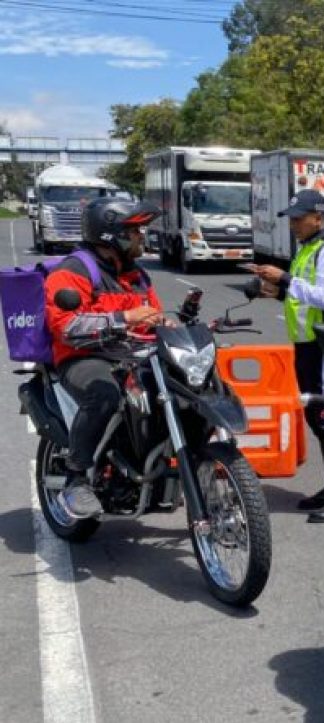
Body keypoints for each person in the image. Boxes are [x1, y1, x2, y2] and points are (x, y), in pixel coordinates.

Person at [44, 197, 165, 519]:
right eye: (135, 230)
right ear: (112, 235)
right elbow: (66, 327)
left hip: (133, 355)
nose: (142, 236)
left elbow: (152, 315)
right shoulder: (72, 271)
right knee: (104, 396)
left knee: (185, 388)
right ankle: (76, 478)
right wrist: (124, 319)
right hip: (83, 356)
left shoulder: (137, 275)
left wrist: (166, 324)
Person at [248, 189, 324, 523]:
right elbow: (302, 295)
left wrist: (283, 277)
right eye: (292, 219)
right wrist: (274, 288)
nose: (294, 224)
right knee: (317, 418)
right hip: (307, 345)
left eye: (300, 218)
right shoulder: (308, 250)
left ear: (319, 217)